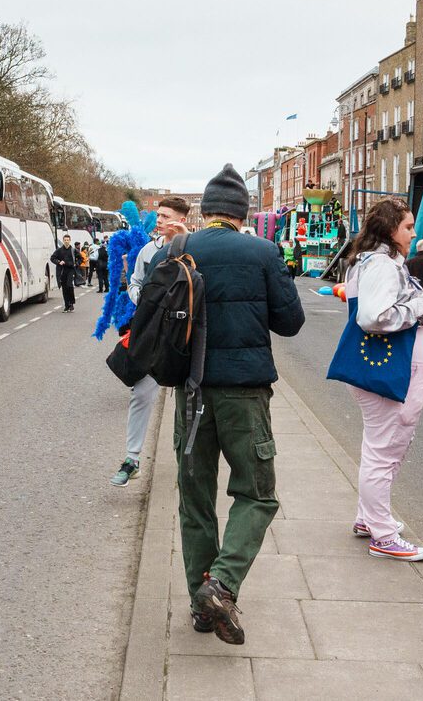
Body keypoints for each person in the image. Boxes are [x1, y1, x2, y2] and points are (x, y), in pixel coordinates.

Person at [177, 164, 304, 645]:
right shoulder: (264, 251)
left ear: (204, 211)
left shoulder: (179, 249)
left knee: (196, 499)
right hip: (245, 397)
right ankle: (223, 585)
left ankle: (201, 604)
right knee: (256, 493)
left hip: (190, 394)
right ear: (241, 213)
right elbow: (290, 323)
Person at [342, 199, 423, 562]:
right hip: (395, 374)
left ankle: (369, 519)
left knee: (378, 449)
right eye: (408, 227)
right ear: (389, 230)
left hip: (390, 372)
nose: (414, 235)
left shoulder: (369, 262)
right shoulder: (381, 265)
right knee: (385, 452)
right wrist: (422, 303)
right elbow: (373, 316)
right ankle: (383, 536)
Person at [110, 197, 191, 487]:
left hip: (184, 336)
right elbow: (134, 281)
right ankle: (132, 460)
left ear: (181, 219)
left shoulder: (194, 247)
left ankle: (188, 462)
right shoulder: (147, 250)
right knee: (141, 394)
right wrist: (140, 299)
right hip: (154, 332)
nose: (159, 220)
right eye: (158, 215)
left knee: (188, 398)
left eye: (166, 215)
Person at [50, 235, 78, 311]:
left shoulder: (73, 250)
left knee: (69, 286)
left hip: (70, 270)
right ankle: (66, 305)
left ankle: (71, 303)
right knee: (64, 288)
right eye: (65, 240)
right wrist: (59, 262)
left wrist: (76, 263)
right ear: (63, 241)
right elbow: (52, 258)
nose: (66, 241)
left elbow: (80, 258)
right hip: (62, 271)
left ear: (70, 240)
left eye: (67, 240)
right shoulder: (59, 250)